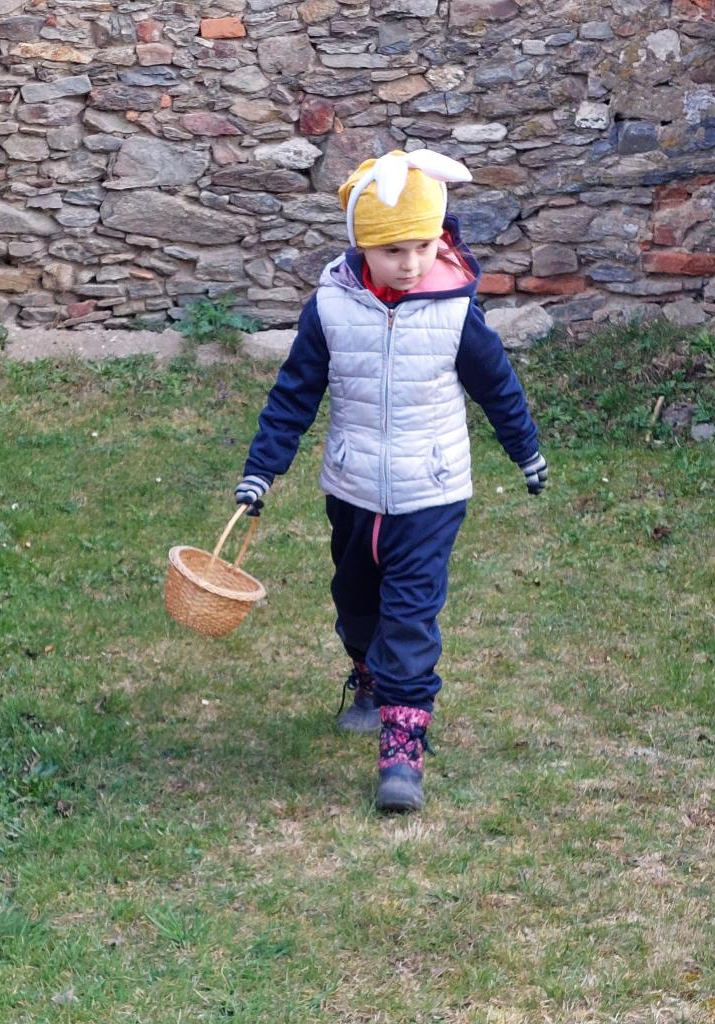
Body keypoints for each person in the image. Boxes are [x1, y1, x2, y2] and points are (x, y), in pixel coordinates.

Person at [234, 148, 548, 813]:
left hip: (431, 492)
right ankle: (368, 675)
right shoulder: (331, 308)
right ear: (361, 246)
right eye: (392, 250)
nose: (410, 263)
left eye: (423, 246)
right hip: (352, 487)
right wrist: (261, 470)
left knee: (409, 617)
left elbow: (497, 387)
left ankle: (402, 750)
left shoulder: (455, 312)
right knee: (355, 603)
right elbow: (294, 394)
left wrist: (526, 450)